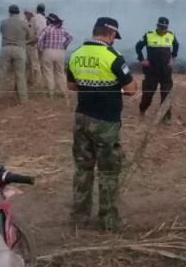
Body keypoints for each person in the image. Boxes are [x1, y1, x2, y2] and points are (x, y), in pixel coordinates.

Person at [67, 17, 137, 231]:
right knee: (108, 171)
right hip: (106, 122)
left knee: (83, 169)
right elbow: (131, 89)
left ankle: (79, 218)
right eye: (115, 36)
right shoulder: (113, 57)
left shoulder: (76, 54)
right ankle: (107, 220)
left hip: (81, 118)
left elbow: (71, 85)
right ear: (111, 34)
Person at [135, 17, 179, 122]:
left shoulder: (171, 35)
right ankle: (142, 111)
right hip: (151, 71)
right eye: (160, 27)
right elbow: (138, 47)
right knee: (147, 95)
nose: (162, 30)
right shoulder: (149, 35)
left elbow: (176, 46)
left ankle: (165, 119)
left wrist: (172, 58)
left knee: (166, 95)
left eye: (164, 28)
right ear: (157, 26)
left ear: (167, 27)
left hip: (165, 71)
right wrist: (142, 59)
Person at [0, 5, 31, 103]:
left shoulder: (3, 22)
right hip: (19, 49)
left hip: (5, 48)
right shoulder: (24, 23)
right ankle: (23, 99)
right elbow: (28, 36)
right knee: (20, 75)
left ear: (9, 12)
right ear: (18, 13)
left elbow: (2, 32)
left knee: (0, 73)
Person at [38, 13, 73, 98]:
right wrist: (64, 45)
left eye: (47, 20)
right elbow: (70, 37)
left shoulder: (46, 29)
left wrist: (41, 49)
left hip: (48, 52)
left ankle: (51, 93)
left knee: (48, 73)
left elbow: (39, 40)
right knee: (60, 73)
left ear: (50, 21)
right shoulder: (61, 29)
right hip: (60, 52)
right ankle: (64, 92)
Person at [24, 9, 42, 85]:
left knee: (35, 64)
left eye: (27, 13)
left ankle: (38, 81)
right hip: (26, 45)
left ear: (30, 14)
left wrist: (35, 41)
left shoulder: (35, 21)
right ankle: (30, 80)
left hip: (32, 45)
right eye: (25, 13)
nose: (25, 15)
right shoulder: (25, 21)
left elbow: (39, 33)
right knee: (28, 64)